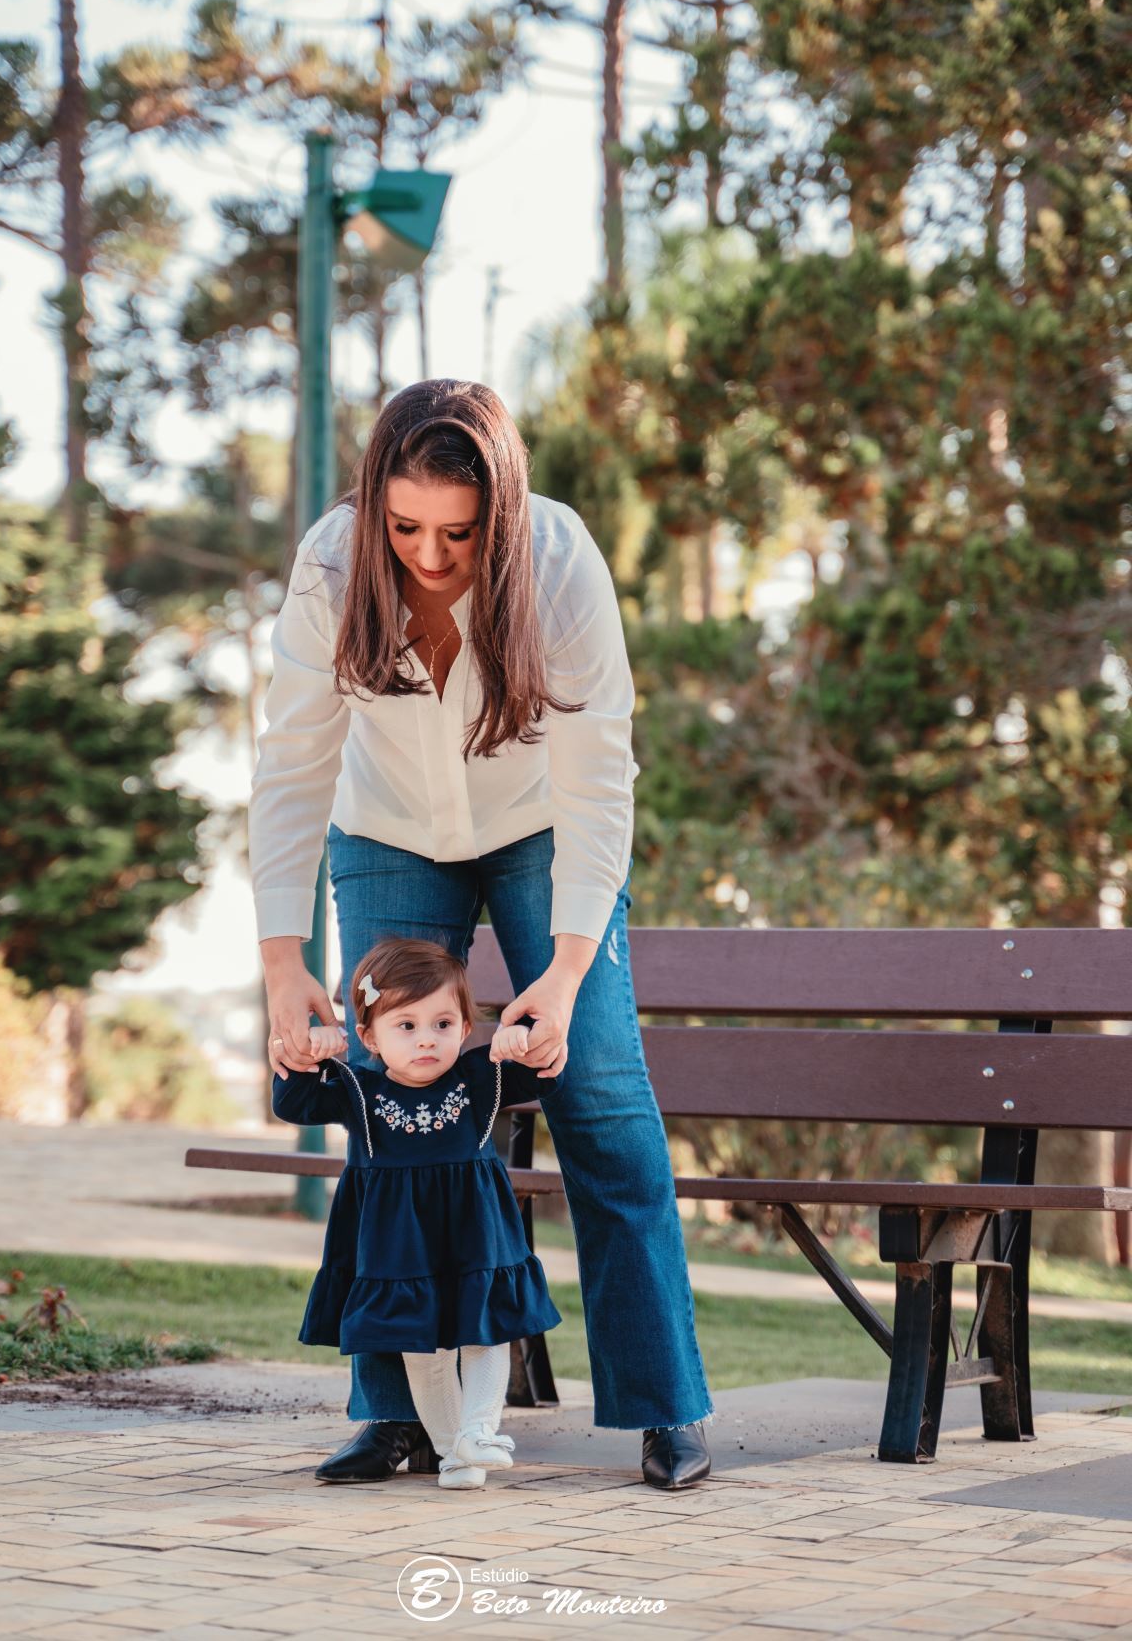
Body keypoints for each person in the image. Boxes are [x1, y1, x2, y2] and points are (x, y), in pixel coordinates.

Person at [252, 377, 713, 1492]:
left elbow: (600, 780)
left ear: (499, 515)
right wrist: (279, 959)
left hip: (541, 828)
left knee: (600, 1096)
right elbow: (294, 760)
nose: (428, 555)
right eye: (405, 527)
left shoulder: (560, 565)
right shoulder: (330, 567)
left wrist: (565, 969)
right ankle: (395, 1414)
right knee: (389, 1108)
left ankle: (664, 1405)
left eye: (457, 533)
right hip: (387, 834)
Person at [272, 935, 564, 1490]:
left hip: (476, 1236)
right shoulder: (359, 1090)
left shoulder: (479, 1076)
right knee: (423, 1353)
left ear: (465, 1028)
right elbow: (293, 1102)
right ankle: (455, 1454)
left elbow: (547, 1074)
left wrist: (520, 1040)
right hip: (401, 1247)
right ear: (369, 1037)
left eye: (442, 1024)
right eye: (405, 1025)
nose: (426, 1039)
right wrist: (311, 1054)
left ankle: (480, 1431)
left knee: (486, 1334)